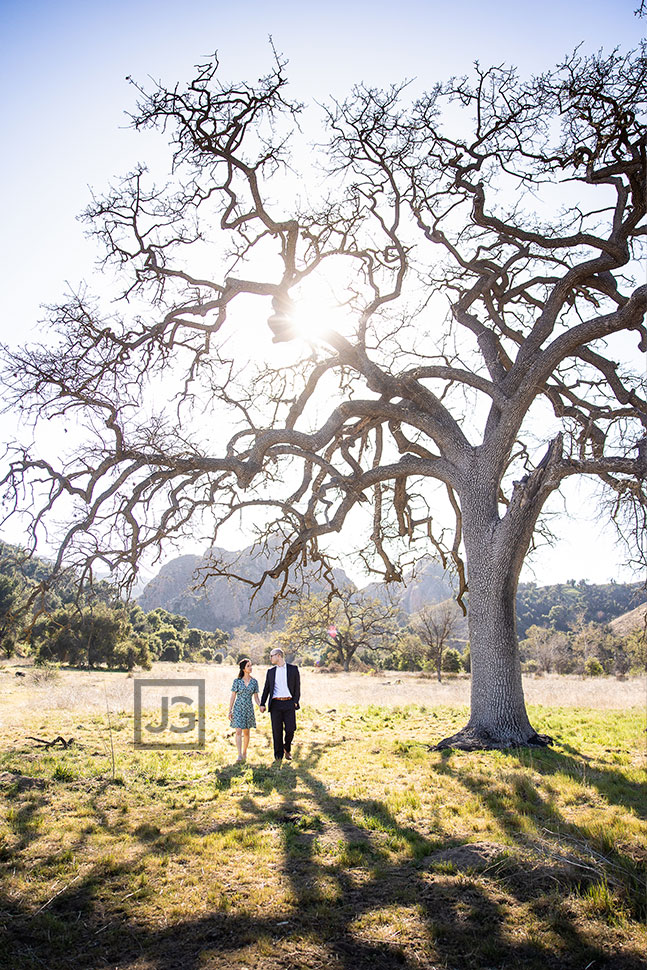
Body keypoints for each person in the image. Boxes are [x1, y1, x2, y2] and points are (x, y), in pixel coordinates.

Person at [259, 647, 300, 763]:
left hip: (289, 703)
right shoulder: (271, 672)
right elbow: (266, 688)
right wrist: (262, 703)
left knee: (290, 729)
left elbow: (297, 687)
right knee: (276, 731)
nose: (270, 658)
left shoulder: (293, 669)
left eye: (271, 656)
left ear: (278, 656)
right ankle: (278, 755)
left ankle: (287, 748)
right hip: (275, 704)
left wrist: (295, 701)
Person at [229, 658, 261, 762]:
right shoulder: (237, 681)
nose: (250, 667)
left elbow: (256, 697)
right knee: (238, 731)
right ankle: (239, 755)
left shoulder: (254, 682)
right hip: (238, 708)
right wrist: (230, 710)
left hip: (248, 708)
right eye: (248, 666)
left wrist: (261, 705)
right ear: (243, 668)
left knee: (246, 732)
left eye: (251, 665)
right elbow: (233, 696)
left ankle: (244, 752)